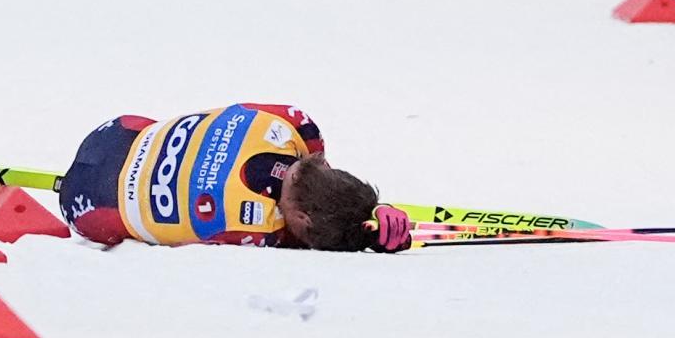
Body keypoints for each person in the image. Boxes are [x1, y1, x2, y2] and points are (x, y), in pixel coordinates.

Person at [58, 103, 411, 253]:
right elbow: (303, 248)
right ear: (302, 218)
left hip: (117, 132)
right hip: (90, 207)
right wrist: (368, 238)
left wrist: (364, 210)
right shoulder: (259, 228)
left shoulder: (295, 126)